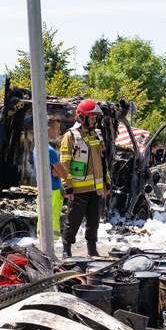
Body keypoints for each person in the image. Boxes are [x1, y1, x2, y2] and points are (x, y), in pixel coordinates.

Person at [60, 100, 109, 257]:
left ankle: (92, 250)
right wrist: (67, 187)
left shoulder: (97, 135)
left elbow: (103, 162)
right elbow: (64, 164)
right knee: (73, 221)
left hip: (96, 189)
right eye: (91, 117)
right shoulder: (70, 136)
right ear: (82, 117)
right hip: (78, 189)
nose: (94, 120)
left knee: (94, 223)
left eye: (96, 117)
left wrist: (107, 182)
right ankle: (66, 250)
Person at [44, 118, 67, 241]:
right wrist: (59, 172)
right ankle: (50, 253)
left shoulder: (38, 147)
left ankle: (45, 251)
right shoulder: (50, 151)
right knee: (52, 225)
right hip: (53, 191)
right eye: (57, 129)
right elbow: (64, 174)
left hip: (45, 190)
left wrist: (56, 171)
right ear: (49, 129)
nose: (59, 132)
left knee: (44, 225)